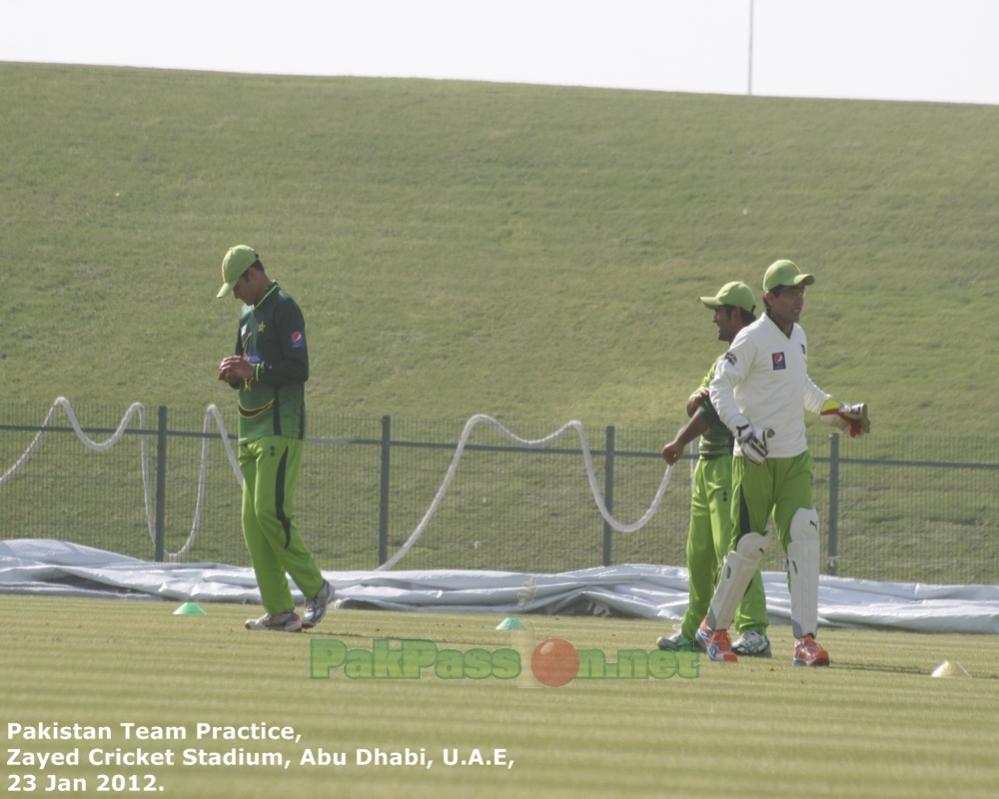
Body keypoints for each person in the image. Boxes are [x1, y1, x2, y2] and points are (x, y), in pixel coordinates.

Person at [695, 259, 869, 665]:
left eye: (802, 291)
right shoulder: (752, 339)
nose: (799, 299)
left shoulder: (799, 337)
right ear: (769, 298)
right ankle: (713, 628)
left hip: (794, 458)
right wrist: (741, 429)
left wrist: (839, 415)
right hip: (755, 460)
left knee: (804, 537)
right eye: (791, 292)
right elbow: (719, 386)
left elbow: (802, 387)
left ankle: (805, 640)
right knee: (749, 547)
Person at [215, 244, 334, 632]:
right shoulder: (246, 313)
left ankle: (317, 589)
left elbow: (299, 368)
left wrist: (254, 370)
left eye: (236, 286)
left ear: (252, 274)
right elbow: (247, 368)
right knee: (252, 522)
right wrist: (235, 374)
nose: (234, 294)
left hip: (280, 428)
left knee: (270, 511)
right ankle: (280, 611)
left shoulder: (284, 306)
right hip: (248, 429)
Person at [657, 282, 771, 658]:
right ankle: (696, 629)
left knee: (733, 551)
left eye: (719, 312)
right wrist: (694, 399)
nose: (714, 318)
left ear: (736, 314)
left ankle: (753, 630)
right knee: (700, 554)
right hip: (706, 469)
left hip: (728, 464)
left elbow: (710, 412)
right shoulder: (724, 361)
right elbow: (698, 402)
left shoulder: (748, 356)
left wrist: (678, 442)